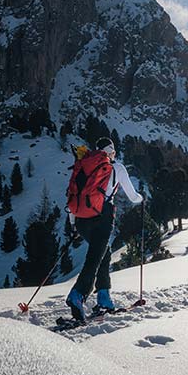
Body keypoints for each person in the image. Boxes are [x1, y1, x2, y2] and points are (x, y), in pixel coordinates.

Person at [65, 137, 142, 321]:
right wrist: (141, 198)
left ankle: (104, 299)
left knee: (104, 254)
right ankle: (78, 294)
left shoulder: (84, 165)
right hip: (102, 217)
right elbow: (132, 197)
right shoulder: (117, 167)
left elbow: (75, 196)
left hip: (82, 219)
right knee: (94, 258)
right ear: (111, 151)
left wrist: (75, 225)